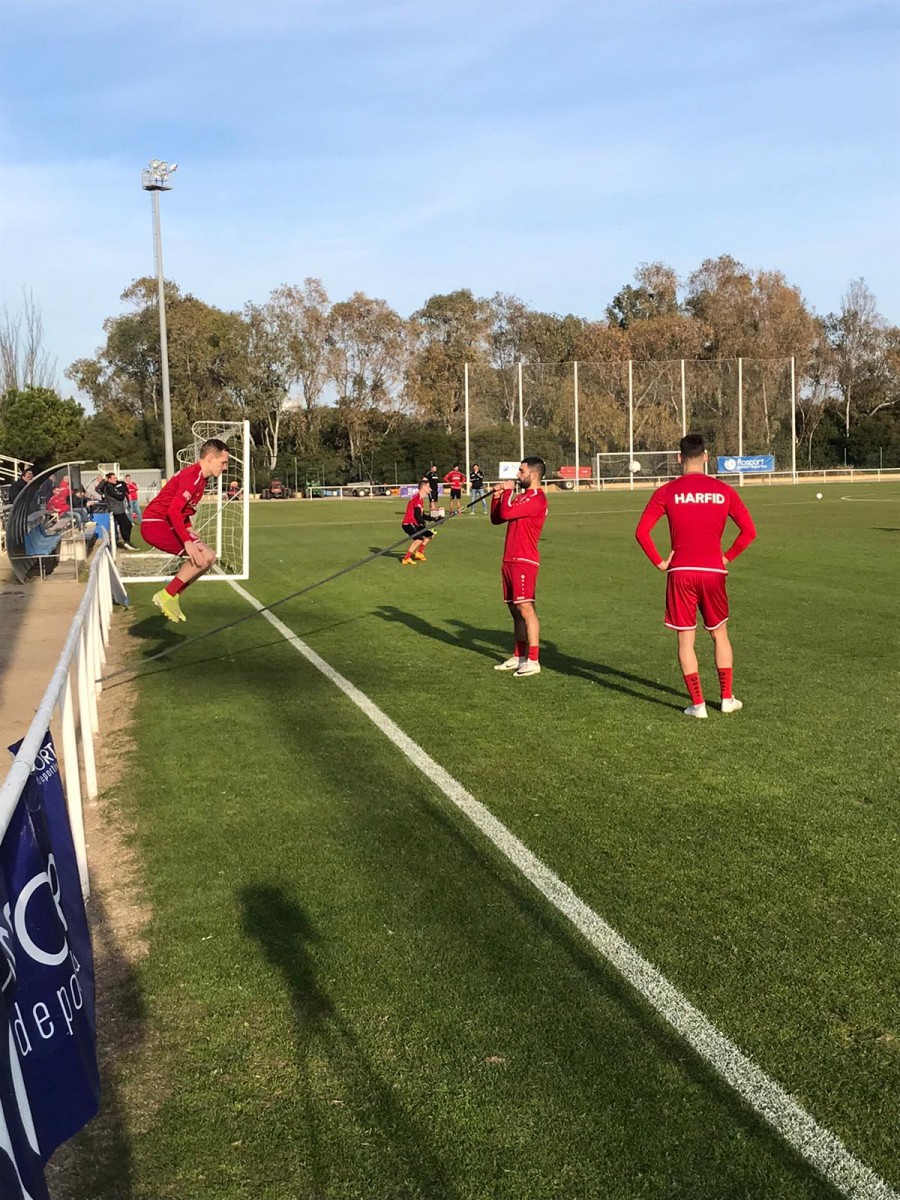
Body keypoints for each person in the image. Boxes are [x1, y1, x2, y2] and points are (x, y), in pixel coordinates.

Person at [635, 433, 757, 719]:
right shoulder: (724, 491)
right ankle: (727, 698)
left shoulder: (666, 491)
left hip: (681, 573)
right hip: (714, 571)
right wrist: (725, 557)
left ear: (679, 458)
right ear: (706, 456)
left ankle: (698, 705)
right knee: (719, 634)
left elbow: (641, 532)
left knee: (685, 640)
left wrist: (659, 562)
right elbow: (749, 532)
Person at [141, 439, 230, 621]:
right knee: (202, 556)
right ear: (211, 458)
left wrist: (188, 529)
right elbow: (173, 511)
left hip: (166, 522)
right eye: (224, 462)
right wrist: (187, 542)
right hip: (155, 524)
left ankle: (172, 595)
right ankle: (166, 595)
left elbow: (183, 510)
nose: (225, 467)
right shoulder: (193, 476)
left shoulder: (201, 480)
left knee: (210, 557)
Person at [490, 457, 548, 678]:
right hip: (510, 559)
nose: (517, 475)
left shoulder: (537, 499)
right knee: (515, 611)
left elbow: (506, 512)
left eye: (521, 472)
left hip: (525, 560)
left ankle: (533, 660)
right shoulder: (522, 497)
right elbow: (498, 518)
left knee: (525, 608)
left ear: (533, 474)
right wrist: (497, 497)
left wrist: (506, 492)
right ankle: (519, 656)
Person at [400, 481, 440, 566]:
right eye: (429, 487)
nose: (430, 489)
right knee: (419, 539)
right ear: (424, 487)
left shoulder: (420, 499)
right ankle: (406, 558)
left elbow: (421, 515)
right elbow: (417, 515)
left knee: (431, 534)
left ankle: (419, 553)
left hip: (415, 523)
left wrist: (434, 518)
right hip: (408, 523)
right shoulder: (417, 498)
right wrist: (423, 523)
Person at [98, 473, 137, 550]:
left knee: (127, 525)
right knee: (126, 524)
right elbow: (120, 497)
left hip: (119, 509)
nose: (116, 479)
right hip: (116, 510)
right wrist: (122, 492)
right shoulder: (108, 487)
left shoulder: (112, 485)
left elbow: (122, 486)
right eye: (113, 478)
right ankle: (127, 541)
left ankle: (127, 541)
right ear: (109, 479)